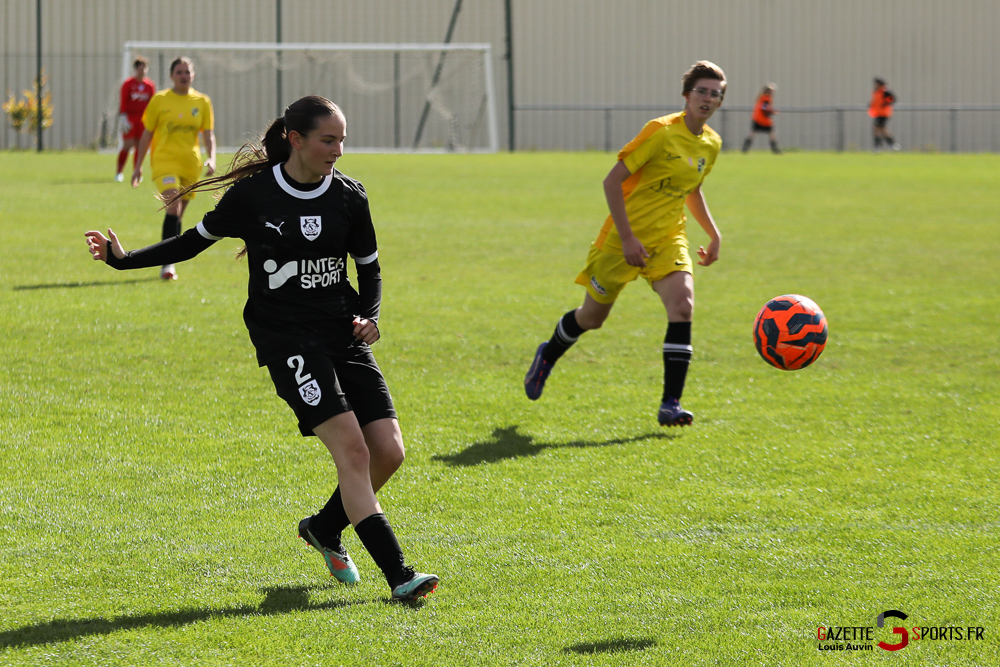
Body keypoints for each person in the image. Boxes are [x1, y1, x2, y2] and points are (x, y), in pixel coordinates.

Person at [85, 95, 439, 601]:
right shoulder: (254, 197)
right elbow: (192, 241)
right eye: (328, 140)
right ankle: (401, 576)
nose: (338, 150)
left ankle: (322, 528)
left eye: (342, 140)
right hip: (287, 336)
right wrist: (123, 260)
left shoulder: (349, 197)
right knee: (355, 452)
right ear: (296, 140)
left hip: (343, 332)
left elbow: (370, 267)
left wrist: (371, 315)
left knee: (389, 451)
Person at [524, 60, 727, 427]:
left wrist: (713, 233)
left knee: (682, 306)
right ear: (686, 95)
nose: (708, 98)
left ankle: (671, 404)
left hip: (668, 239)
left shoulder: (711, 143)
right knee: (592, 318)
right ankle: (548, 354)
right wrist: (629, 238)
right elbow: (611, 181)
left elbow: (691, 188)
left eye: (716, 93)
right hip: (622, 241)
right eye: (702, 90)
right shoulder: (660, 132)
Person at [131, 56, 217, 281]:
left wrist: (212, 158)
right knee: (173, 205)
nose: (183, 76)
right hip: (164, 161)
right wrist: (137, 166)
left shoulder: (202, 101)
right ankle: (167, 264)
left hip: (190, 163)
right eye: (179, 72)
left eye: (187, 72)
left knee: (178, 215)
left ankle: (170, 257)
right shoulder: (159, 100)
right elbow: (147, 134)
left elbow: (208, 133)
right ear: (171, 76)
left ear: (193, 75)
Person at [116, 56, 156, 183]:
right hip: (130, 118)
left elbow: (152, 104)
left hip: (143, 120)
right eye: (140, 68)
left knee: (140, 146)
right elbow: (123, 101)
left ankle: (136, 171)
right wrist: (123, 117)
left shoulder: (150, 85)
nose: (142, 71)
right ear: (135, 69)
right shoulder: (128, 84)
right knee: (127, 145)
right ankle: (119, 172)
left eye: (144, 68)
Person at [742, 83, 781, 154]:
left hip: (757, 118)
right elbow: (764, 107)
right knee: (771, 134)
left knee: (752, 134)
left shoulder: (761, 97)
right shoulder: (766, 98)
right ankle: (775, 150)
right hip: (763, 120)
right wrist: (772, 112)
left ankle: (745, 149)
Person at [869, 77, 899, 151]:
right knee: (878, 129)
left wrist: (885, 103)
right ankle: (882, 146)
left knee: (881, 130)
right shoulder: (877, 91)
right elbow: (875, 101)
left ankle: (891, 145)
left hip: (883, 113)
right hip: (877, 113)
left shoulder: (885, 91)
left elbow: (892, 99)